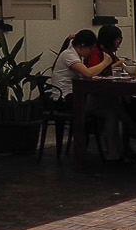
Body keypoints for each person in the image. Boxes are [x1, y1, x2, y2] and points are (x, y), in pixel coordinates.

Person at [52, 28, 126, 161]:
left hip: (74, 96)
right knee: (111, 101)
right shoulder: (69, 55)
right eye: (91, 48)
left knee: (111, 112)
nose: (92, 52)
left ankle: (113, 153)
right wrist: (105, 63)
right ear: (82, 45)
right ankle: (133, 130)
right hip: (64, 99)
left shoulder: (76, 55)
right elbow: (87, 73)